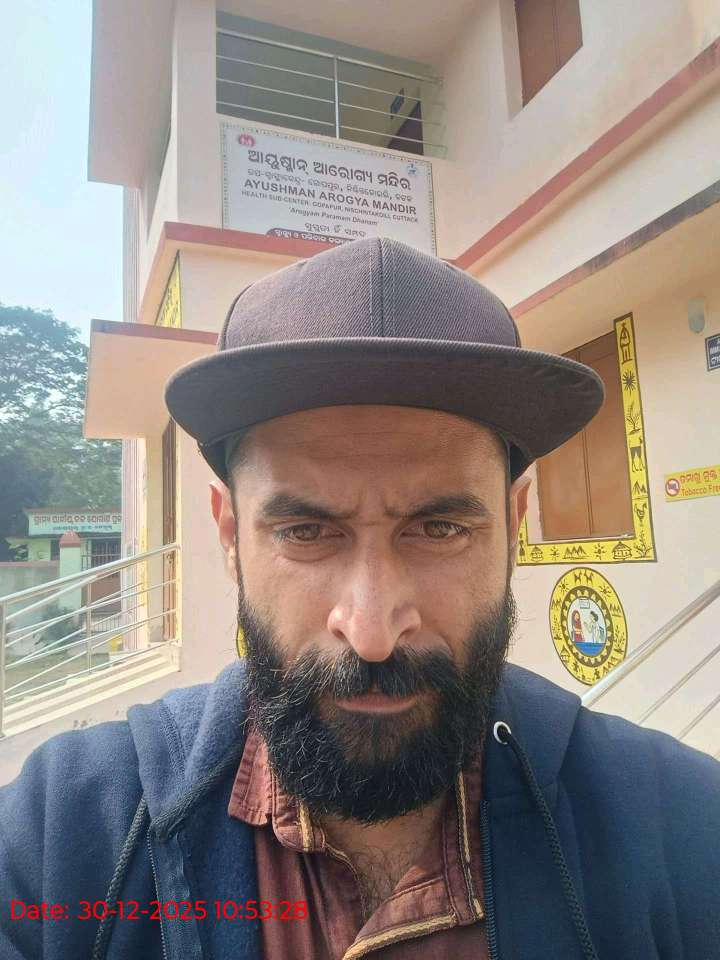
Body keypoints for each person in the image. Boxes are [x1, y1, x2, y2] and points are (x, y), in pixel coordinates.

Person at [1, 237, 718, 960]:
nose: (372, 630)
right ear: (230, 534)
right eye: (306, 532)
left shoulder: (683, 826)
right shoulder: (60, 836)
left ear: (514, 523)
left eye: (439, 528)